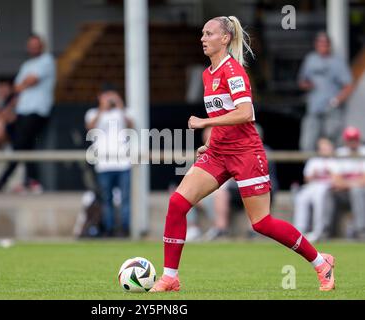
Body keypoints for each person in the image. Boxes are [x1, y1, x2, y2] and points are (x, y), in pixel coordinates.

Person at [150, 16, 335, 293]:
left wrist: (205, 123)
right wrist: (211, 142)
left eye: (209, 33)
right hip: (219, 152)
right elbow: (223, 114)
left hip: (247, 153)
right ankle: (170, 277)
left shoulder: (233, 71)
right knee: (177, 203)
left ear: (224, 39)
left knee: (262, 223)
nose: (203, 38)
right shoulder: (207, 73)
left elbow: (245, 113)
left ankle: (321, 262)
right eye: (202, 33)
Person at [0, 35, 56, 193]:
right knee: (23, 145)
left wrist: (20, 86)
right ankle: (31, 182)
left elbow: (31, 81)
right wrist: (9, 107)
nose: (33, 48)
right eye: (31, 45)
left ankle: (2, 182)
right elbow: (17, 89)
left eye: (36, 45)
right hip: (21, 112)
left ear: (41, 46)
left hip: (37, 111)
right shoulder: (26, 64)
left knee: (20, 145)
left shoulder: (47, 60)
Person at [85, 85, 134, 237]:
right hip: (104, 164)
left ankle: (124, 229)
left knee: (125, 198)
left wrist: (120, 105)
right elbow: (90, 127)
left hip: (123, 162)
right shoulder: (93, 113)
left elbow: (131, 125)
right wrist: (102, 108)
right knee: (107, 199)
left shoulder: (122, 112)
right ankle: (109, 228)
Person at [298, 32, 354, 151]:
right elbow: (302, 82)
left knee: (333, 141)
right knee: (308, 143)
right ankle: (310, 168)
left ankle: (334, 169)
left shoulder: (338, 62)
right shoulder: (310, 60)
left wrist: (337, 100)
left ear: (329, 45)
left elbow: (348, 85)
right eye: (320, 43)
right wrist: (308, 85)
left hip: (332, 109)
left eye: (325, 43)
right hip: (314, 108)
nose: (322, 46)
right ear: (316, 45)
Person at [293, 138, 336, 243]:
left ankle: (318, 231)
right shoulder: (314, 160)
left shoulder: (335, 160)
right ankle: (299, 231)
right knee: (301, 197)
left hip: (327, 187)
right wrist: (314, 175)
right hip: (313, 186)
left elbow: (337, 179)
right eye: (322, 148)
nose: (324, 150)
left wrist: (327, 173)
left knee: (320, 197)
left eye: (326, 147)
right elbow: (307, 178)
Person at [331, 126, 365, 239]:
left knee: (357, 191)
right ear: (346, 140)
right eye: (350, 139)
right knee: (324, 192)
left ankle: (360, 229)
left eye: (354, 139)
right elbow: (336, 181)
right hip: (342, 194)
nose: (352, 142)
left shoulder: (363, 151)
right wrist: (354, 182)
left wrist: (346, 182)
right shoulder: (339, 153)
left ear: (358, 139)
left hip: (361, 192)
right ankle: (327, 231)